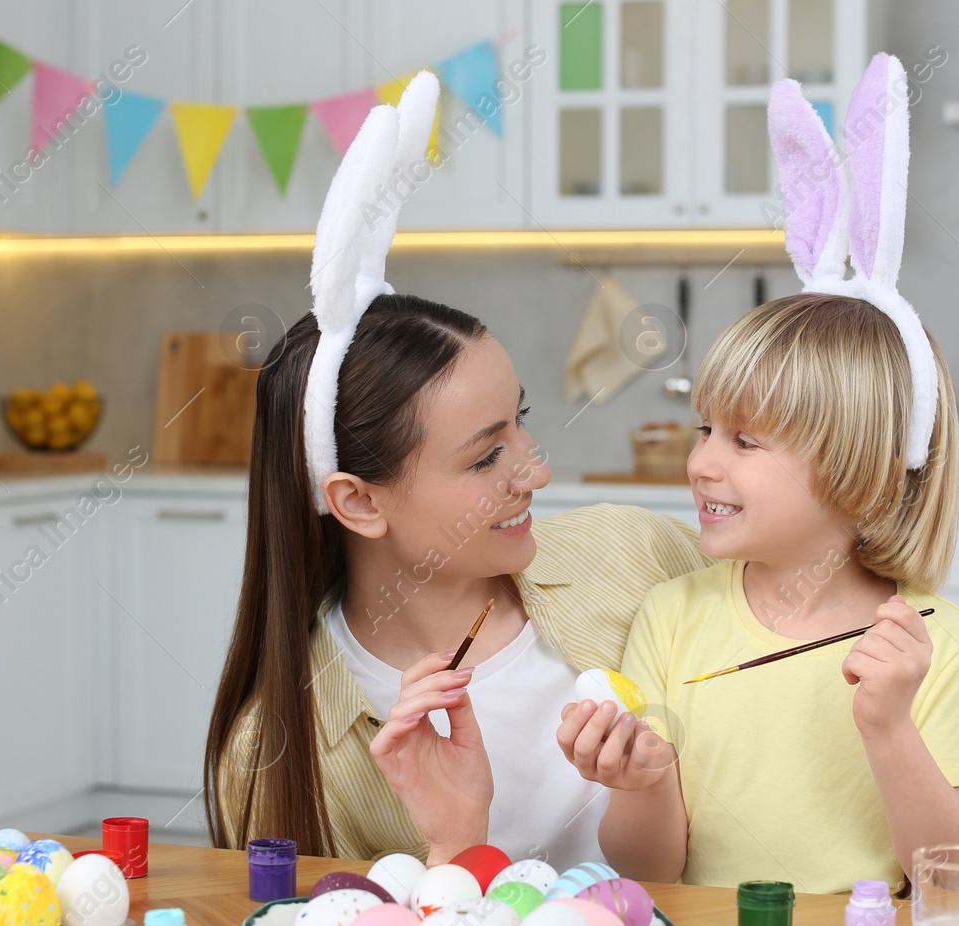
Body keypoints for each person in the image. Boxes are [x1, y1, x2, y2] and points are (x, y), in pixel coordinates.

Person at [203, 74, 708, 866]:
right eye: (485, 457)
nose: (533, 472)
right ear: (359, 502)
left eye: (522, 425)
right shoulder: (275, 756)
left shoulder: (636, 555)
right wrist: (454, 845)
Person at [556, 55, 959, 893]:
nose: (701, 462)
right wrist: (643, 781)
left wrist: (887, 724)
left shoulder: (936, 642)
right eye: (705, 430)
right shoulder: (673, 616)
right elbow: (652, 870)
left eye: (747, 442)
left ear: (862, 472)